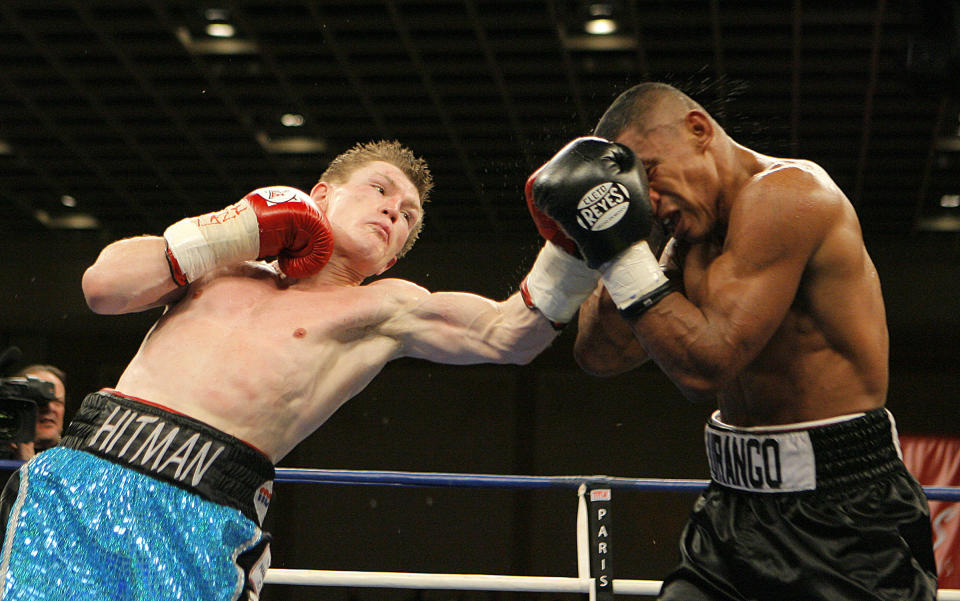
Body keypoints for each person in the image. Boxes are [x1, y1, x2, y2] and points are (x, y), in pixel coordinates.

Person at [0, 140, 597, 600]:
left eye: (409, 217)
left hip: (201, 508)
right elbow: (103, 288)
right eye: (380, 191)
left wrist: (573, 246)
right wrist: (234, 229)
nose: (394, 210)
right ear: (322, 195)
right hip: (83, 475)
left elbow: (507, 335)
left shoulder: (386, 306)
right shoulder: (224, 264)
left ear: (394, 255)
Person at [527, 83, 938, 600]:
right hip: (732, 509)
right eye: (631, 186)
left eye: (649, 172)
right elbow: (601, 356)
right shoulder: (688, 240)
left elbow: (707, 366)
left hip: (844, 512)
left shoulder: (789, 195)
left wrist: (622, 257)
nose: (646, 197)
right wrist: (619, 231)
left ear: (698, 130)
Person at [6, 364, 67, 460]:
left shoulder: (78, 461)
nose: (50, 407)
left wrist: (27, 464)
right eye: (40, 401)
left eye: (57, 402)